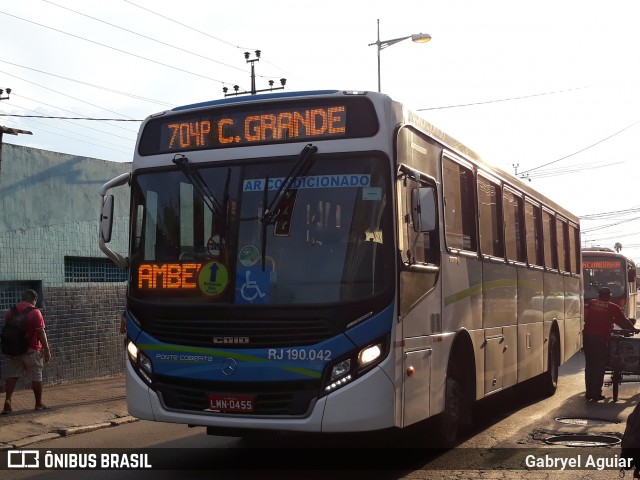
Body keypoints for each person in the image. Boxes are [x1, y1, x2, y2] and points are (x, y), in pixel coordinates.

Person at [583, 287, 637, 402]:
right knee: (599, 366)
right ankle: (596, 393)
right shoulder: (613, 307)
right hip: (600, 339)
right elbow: (623, 321)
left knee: (590, 365)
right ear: (609, 297)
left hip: (587, 337)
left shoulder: (592, 303)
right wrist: (633, 329)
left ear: (599, 296)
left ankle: (589, 392)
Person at [2, 289, 52, 413]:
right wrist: (47, 349)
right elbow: (40, 332)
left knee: (13, 375)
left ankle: (8, 400)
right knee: (36, 375)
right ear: (34, 300)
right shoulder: (35, 312)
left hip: (14, 349)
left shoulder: (10, 311)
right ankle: (38, 403)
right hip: (32, 349)